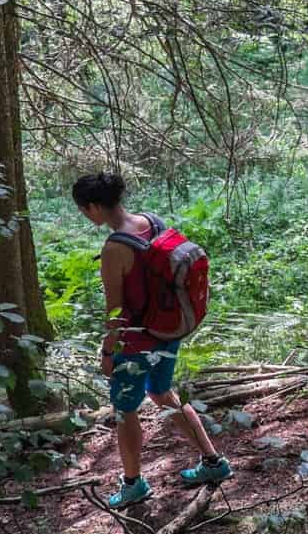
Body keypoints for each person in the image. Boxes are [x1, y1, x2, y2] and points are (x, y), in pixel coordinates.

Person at [72, 172, 232, 507]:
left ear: (95, 207)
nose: (86, 216)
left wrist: (107, 351)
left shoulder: (114, 247)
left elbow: (115, 310)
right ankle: (213, 462)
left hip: (136, 340)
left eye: (84, 210)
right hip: (170, 328)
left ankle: (133, 484)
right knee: (161, 391)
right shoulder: (152, 221)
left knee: (124, 409)